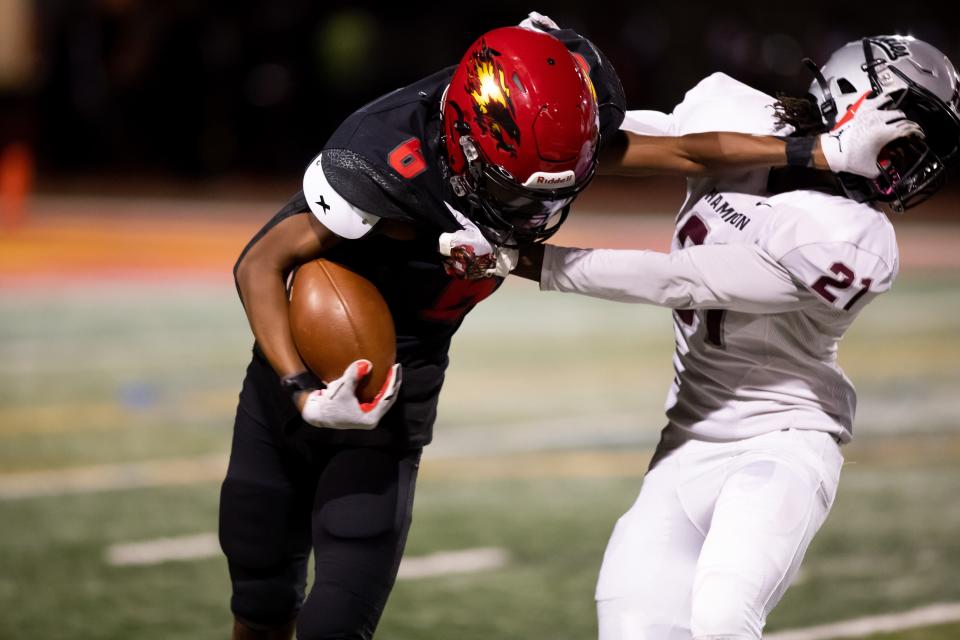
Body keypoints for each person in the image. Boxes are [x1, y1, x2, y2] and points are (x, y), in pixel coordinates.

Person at [220, 11, 912, 638]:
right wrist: (301, 388)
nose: (532, 205)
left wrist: (819, 154)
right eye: (512, 185)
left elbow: (686, 151)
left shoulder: (559, 127)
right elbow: (258, 262)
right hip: (302, 366)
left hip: (402, 384)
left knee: (336, 625)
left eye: (556, 184)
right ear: (462, 146)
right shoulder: (384, 159)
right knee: (258, 595)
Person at [511, 35, 960, 640]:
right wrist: (537, 122)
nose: (918, 157)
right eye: (912, 131)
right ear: (854, 97)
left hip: (783, 441)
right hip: (683, 442)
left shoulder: (856, 240)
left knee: (723, 616)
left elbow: (681, 280)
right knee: (634, 625)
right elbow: (621, 147)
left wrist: (529, 261)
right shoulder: (739, 115)